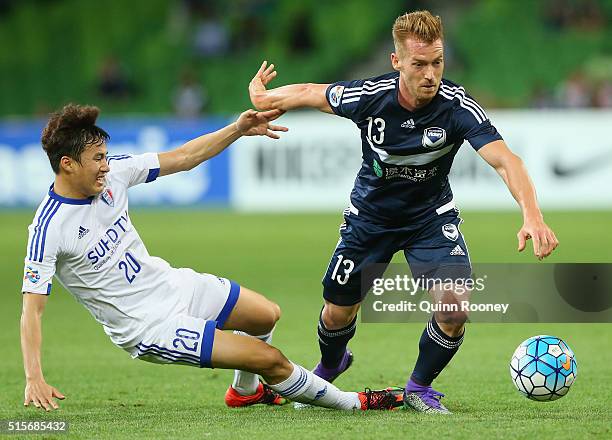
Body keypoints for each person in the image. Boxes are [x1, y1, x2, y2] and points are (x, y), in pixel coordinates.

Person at [248, 10, 559, 414]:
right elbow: (310, 91)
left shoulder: (458, 107)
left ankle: (419, 387)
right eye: (419, 64)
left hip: (429, 219)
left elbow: (507, 161)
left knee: (454, 307)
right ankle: (331, 364)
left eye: (437, 62)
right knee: (337, 311)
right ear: (397, 62)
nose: (430, 74)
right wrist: (265, 98)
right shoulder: (369, 96)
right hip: (369, 218)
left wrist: (531, 215)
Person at [20, 103, 404, 412]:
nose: (106, 165)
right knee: (270, 359)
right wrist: (34, 376)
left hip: (172, 284)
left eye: (105, 156)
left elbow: (185, 156)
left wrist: (237, 128)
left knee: (266, 314)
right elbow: (32, 311)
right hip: (149, 325)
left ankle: (244, 393)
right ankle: (356, 403)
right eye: (97, 158)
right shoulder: (49, 228)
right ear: (67, 164)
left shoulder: (115, 174)